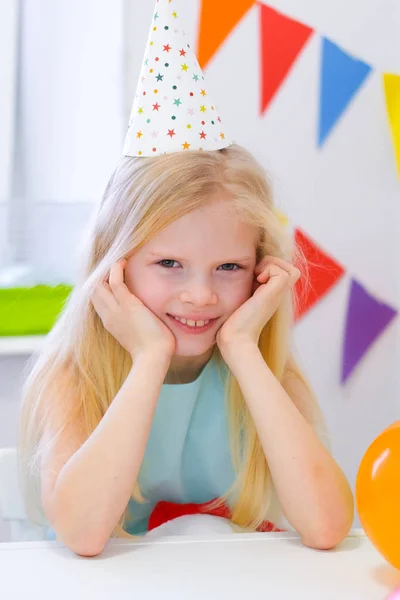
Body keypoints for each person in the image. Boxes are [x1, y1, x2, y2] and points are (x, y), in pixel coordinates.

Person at [18, 0, 354, 557]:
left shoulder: (266, 372)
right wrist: (148, 359)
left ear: (260, 271)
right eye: (169, 264)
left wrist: (243, 346)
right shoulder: (75, 378)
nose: (200, 295)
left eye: (229, 268)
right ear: (114, 264)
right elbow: (81, 534)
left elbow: (325, 528)